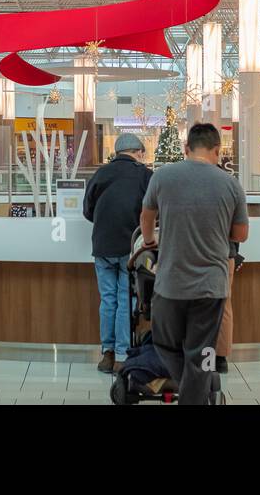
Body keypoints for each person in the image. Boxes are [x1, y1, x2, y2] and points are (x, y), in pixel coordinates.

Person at [139, 123, 248, 405]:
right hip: (211, 287)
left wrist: (150, 240)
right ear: (217, 150)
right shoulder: (231, 184)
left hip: (170, 283)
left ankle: (191, 391)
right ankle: (194, 393)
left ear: (186, 148)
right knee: (202, 353)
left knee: (163, 343)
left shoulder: (162, 177)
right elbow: (241, 235)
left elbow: (146, 216)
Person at [82, 132, 152, 374]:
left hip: (102, 245)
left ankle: (107, 353)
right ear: (138, 152)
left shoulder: (100, 173)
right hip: (129, 248)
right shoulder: (145, 175)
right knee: (125, 300)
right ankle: (122, 355)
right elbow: (154, 212)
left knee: (108, 300)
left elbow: (87, 210)